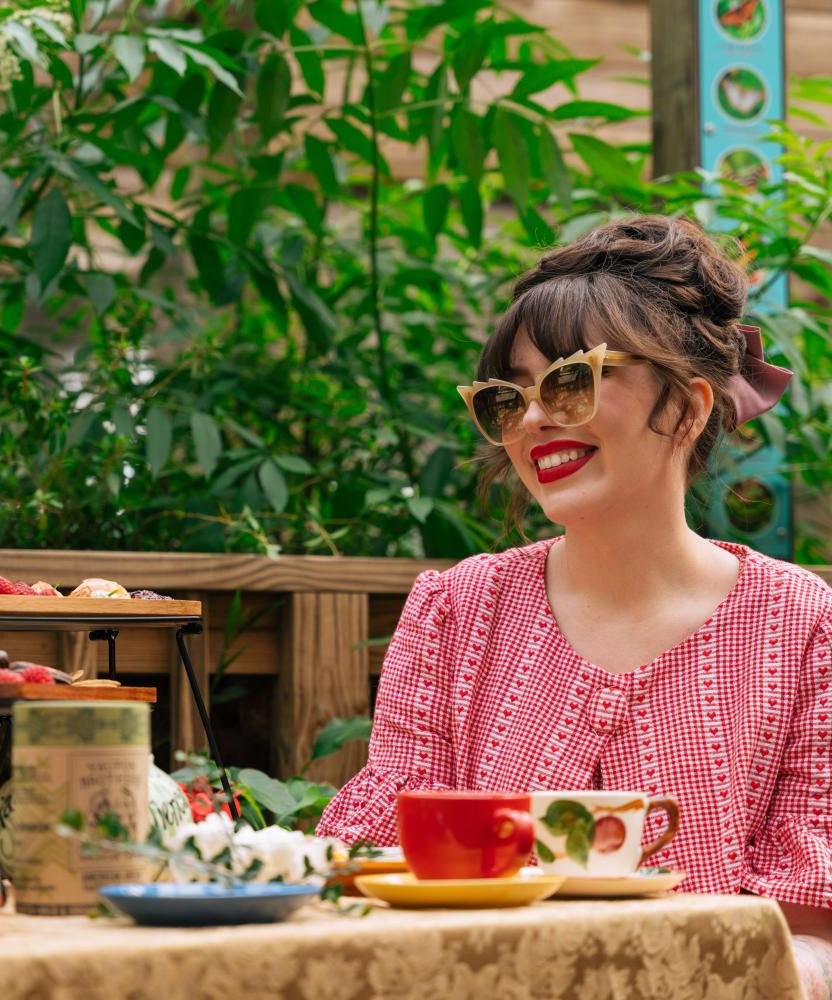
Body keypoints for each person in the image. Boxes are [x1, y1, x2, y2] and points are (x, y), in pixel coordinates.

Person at [316, 216, 831, 993]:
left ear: (688, 408)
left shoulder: (802, 623)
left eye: (570, 379)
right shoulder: (456, 609)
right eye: (505, 397)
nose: (530, 420)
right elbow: (383, 866)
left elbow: (810, 934)